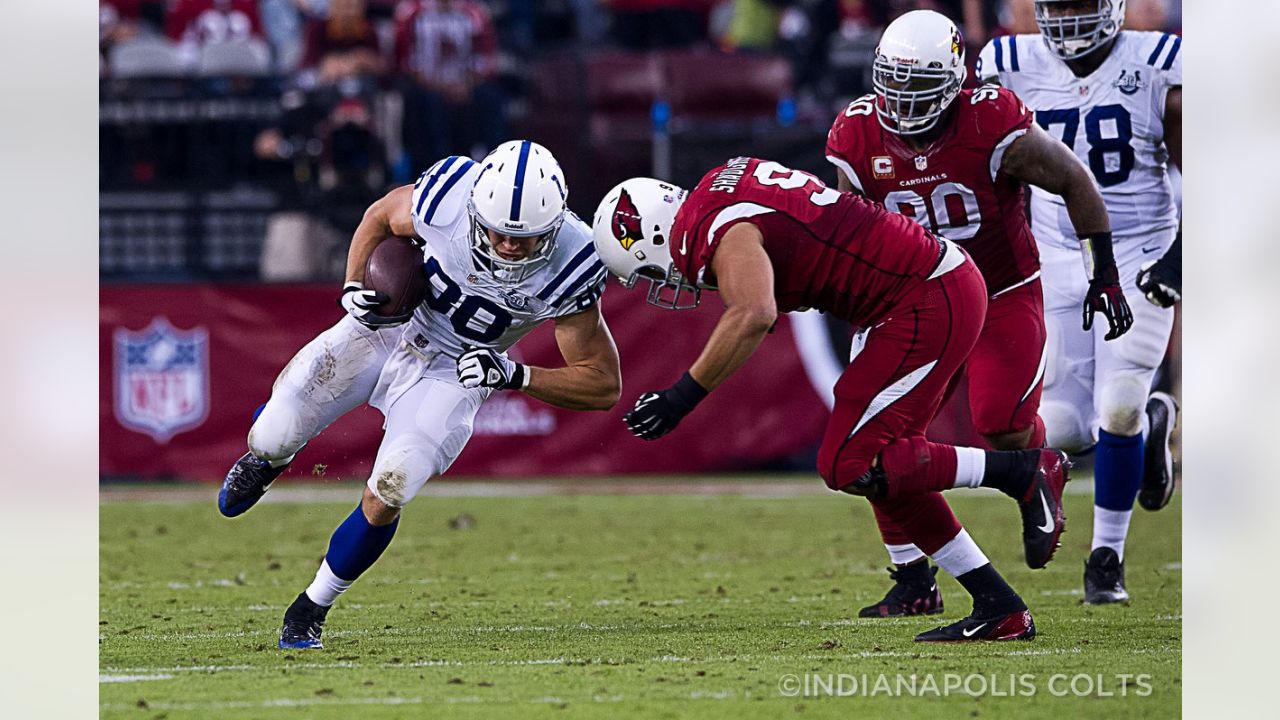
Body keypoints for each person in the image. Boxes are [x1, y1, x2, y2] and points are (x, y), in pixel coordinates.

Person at [591, 160, 1069, 642]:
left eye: (650, 270)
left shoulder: (713, 225)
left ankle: (1023, 472)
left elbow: (755, 312)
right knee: (880, 467)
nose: (665, 281)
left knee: (847, 461)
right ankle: (989, 602)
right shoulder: (718, 184)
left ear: (652, 234)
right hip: (914, 293)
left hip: (922, 296)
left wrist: (680, 397)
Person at [217, 140, 621, 649]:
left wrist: (515, 375)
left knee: (392, 486)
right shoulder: (450, 194)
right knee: (273, 434)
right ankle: (267, 460)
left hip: (458, 368)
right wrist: (351, 284)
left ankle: (311, 607)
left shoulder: (573, 260)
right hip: (384, 329)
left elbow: (602, 382)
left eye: (528, 237)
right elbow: (380, 216)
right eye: (499, 231)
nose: (511, 246)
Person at [824, 9, 1126, 618]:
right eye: (895, 84)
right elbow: (852, 230)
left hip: (1001, 290)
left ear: (955, 81)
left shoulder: (991, 122)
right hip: (913, 299)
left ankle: (1038, 467)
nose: (904, 103)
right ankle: (912, 575)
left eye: (921, 88)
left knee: (1002, 421)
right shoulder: (854, 137)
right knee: (876, 439)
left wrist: (1105, 270)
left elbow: (1073, 180)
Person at [977, 0, 1181, 604]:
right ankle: (1150, 435)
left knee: (1117, 408)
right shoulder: (1009, 63)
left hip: (1141, 247)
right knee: (1063, 427)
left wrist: (1175, 262)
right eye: (1055, 5)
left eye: (1079, 4)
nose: (1065, 17)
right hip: (1055, 255)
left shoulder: (1157, 64)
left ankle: (1106, 560)